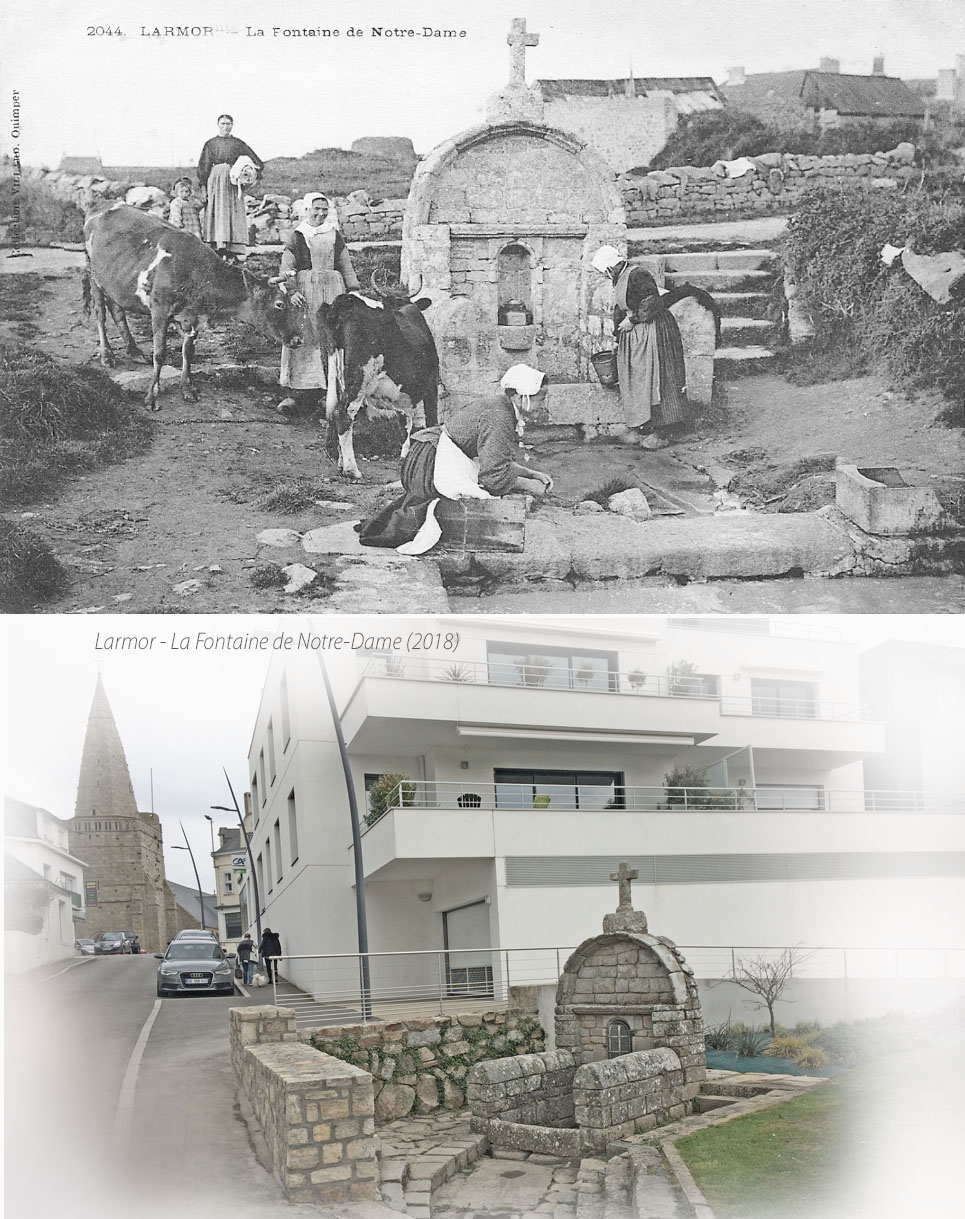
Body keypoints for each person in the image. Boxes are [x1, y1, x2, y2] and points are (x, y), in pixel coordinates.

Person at [358, 363, 554, 552]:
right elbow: (493, 476)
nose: (542, 406)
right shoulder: (499, 416)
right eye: (540, 399)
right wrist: (530, 486)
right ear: (521, 397)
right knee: (465, 498)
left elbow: (497, 460)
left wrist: (531, 473)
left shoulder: (502, 407)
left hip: (436, 454)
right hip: (429, 463)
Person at [591, 245, 690, 449]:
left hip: (653, 330)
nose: (607, 275)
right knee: (637, 381)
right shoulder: (620, 278)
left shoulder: (638, 274)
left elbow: (652, 301)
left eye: (607, 271)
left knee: (656, 379)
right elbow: (622, 308)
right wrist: (618, 335)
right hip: (635, 333)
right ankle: (642, 429)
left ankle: (662, 433)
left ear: (613, 266)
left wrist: (634, 319)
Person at [276, 192, 360, 414]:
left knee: (332, 336)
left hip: (333, 291)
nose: (321, 213)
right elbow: (287, 266)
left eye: (325, 209)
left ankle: (329, 392)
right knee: (306, 336)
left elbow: (345, 264)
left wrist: (353, 290)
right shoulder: (298, 235)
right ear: (307, 210)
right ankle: (298, 394)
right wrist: (291, 291)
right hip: (307, 293)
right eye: (317, 208)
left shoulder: (334, 235)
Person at [197, 114, 263, 262]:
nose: (226, 127)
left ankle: (232, 247)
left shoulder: (238, 143)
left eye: (228, 124)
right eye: (223, 124)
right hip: (215, 178)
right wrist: (203, 187)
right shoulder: (211, 144)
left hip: (233, 179)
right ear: (218, 125)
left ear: (232, 125)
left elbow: (255, 160)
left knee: (232, 210)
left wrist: (249, 173)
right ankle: (217, 245)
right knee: (217, 209)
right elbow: (203, 166)